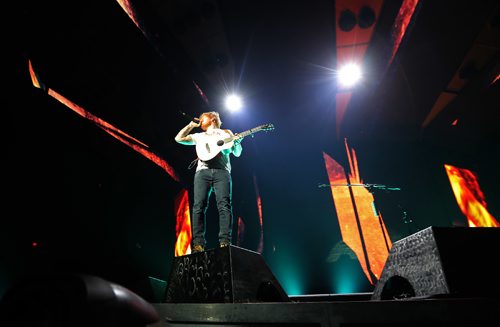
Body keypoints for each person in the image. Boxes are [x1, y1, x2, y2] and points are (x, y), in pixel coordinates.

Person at [174, 111, 243, 253]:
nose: (199, 120)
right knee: (198, 206)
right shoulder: (199, 136)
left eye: (201, 118)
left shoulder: (225, 132)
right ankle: (198, 244)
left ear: (212, 119)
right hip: (202, 173)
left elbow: (236, 153)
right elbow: (178, 138)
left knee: (224, 205)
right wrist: (191, 125)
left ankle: (225, 242)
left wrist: (237, 144)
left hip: (222, 172)